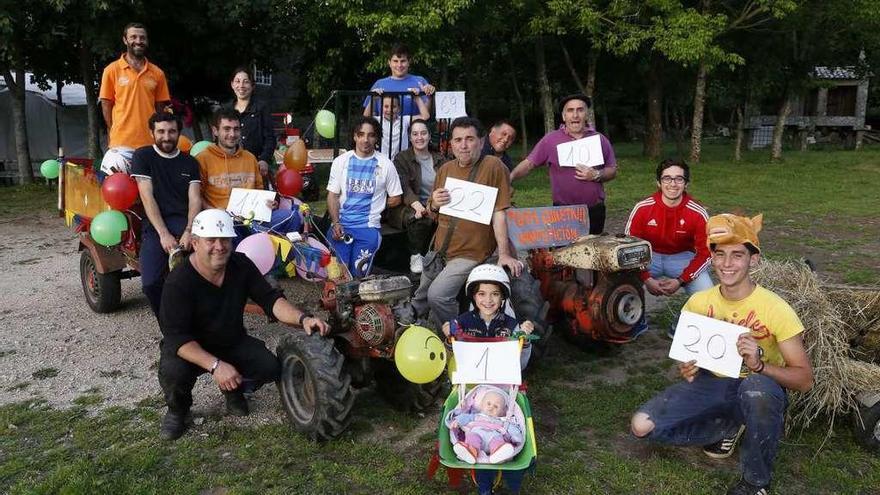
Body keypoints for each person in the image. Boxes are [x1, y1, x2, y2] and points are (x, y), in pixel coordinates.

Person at [630, 213, 813, 495]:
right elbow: (688, 353)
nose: (727, 264)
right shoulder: (698, 301)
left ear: (754, 260)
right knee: (641, 427)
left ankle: (756, 482)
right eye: (720, 255)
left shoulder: (776, 308)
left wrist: (760, 365)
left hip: (759, 386)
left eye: (737, 255)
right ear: (712, 259)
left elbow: (804, 380)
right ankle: (727, 427)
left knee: (756, 390)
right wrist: (686, 366)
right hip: (713, 383)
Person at [157, 209, 329, 440]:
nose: (219, 246)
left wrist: (303, 319)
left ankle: (234, 389)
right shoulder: (178, 282)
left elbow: (271, 300)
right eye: (211, 240)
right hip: (190, 347)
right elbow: (177, 338)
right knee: (173, 372)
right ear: (195, 243)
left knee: (269, 367)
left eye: (225, 239)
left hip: (230, 340)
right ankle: (178, 411)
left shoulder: (241, 265)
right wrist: (217, 366)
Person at [412, 117, 519, 328]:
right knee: (417, 302)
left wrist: (504, 253)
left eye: (470, 139)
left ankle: (459, 336)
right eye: (458, 140)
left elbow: (499, 212)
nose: (463, 145)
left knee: (438, 296)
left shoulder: (493, 166)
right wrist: (434, 204)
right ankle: (410, 336)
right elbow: (432, 213)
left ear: (481, 141)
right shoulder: (445, 169)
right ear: (450, 144)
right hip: (440, 251)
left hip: (470, 253)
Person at [625, 159, 713, 338]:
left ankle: (681, 324)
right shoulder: (643, 208)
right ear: (658, 182)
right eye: (667, 178)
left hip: (681, 257)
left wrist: (681, 280)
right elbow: (629, 248)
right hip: (648, 257)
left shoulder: (697, 211)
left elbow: (706, 253)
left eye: (679, 179)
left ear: (686, 183)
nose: (672, 184)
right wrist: (646, 278)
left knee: (708, 296)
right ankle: (634, 319)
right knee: (620, 278)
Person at [510, 94, 617, 234]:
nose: (575, 115)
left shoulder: (599, 139)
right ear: (563, 116)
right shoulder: (550, 140)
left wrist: (597, 174)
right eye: (570, 110)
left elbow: (612, 170)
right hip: (563, 211)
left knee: (593, 252)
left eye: (580, 110)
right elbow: (529, 164)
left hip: (594, 209)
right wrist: (509, 178)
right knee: (563, 253)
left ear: (587, 114)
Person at [130, 112, 201, 316]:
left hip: (186, 222)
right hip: (155, 225)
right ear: (152, 132)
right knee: (151, 283)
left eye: (171, 131)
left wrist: (190, 230)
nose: (166, 137)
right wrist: (163, 234)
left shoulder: (190, 162)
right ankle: (169, 324)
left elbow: (195, 199)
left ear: (179, 132)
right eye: (161, 131)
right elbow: (147, 197)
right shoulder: (143, 156)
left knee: (206, 272)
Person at [197, 108, 299, 238]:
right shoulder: (203, 159)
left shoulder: (250, 158)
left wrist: (269, 203)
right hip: (223, 221)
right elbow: (197, 196)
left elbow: (259, 191)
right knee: (235, 231)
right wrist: (214, 211)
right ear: (215, 131)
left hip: (254, 219)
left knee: (292, 217)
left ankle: (284, 256)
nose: (232, 134)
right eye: (227, 129)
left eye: (236, 129)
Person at [326, 117, 403, 277]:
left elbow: (396, 198)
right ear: (354, 136)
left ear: (376, 138)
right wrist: (335, 223)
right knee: (338, 276)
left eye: (371, 135)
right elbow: (332, 195)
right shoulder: (341, 161)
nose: (365, 140)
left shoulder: (386, 164)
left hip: (368, 229)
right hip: (341, 226)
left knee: (359, 276)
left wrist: (379, 204)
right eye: (361, 134)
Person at [442, 264, 534, 369]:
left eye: (495, 294)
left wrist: (524, 340)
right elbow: (452, 363)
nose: (488, 300)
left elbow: (520, 366)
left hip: (501, 380)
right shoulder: (460, 323)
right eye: (482, 294)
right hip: (470, 380)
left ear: (502, 297)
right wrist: (449, 339)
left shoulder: (512, 326)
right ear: (474, 296)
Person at [384, 119, 445, 274]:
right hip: (405, 206)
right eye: (415, 134)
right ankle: (416, 256)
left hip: (435, 204)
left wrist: (434, 205)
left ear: (429, 135)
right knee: (420, 218)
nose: (419, 137)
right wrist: (416, 204)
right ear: (410, 138)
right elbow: (402, 185)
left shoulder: (440, 158)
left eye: (423, 133)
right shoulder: (402, 158)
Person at [99, 23, 171, 152]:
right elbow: (106, 105)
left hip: (150, 142)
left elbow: (160, 109)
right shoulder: (111, 70)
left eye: (142, 38)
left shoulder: (158, 73)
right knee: (119, 174)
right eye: (133, 37)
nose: (138, 41)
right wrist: (112, 130)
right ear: (125, 40)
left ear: (147, 41)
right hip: (121, 142)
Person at [225, 67, 275, 183]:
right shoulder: (226, 110)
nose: (241, 86)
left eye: (246, 81)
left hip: (256, 168)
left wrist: (264, 160)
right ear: (232, 84)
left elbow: (270, 138)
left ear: (252, 86)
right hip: (230, 167)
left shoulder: (262, 108)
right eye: (237, 81)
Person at [447, 389, 524, 465]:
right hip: (476, 434)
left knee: (498, 441)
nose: (491, 408)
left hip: (494, 436)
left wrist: (516, 437)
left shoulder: (501, 421)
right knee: (472, 436)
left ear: (502, 412)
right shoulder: (476, 416)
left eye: (496, 406)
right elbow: (464, 417)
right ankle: (471, 451)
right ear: (481, 404)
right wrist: (457, 421)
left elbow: (511, 428)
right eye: (488, 403)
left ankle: (498, 453)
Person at [363, 43, 435, 118]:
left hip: (413, 128)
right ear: (389, 63)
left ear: (409, 62)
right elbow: (368, 116)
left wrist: (429, 94)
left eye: (403, 61)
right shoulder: (379, 84)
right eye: (395, 61)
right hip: (384, 129)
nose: (399, 65)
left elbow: (426, 115)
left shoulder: (420, 81)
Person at [367, 91, 430, 159]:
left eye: (393, 106)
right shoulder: (378, 120)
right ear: (381, 108)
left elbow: (425, 116)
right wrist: (373, 99)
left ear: (399, 109)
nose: (389, 109)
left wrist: (417, 98)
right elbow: (365, 117)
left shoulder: (404, 120)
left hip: (401, 161)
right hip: (383, 160)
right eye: (386, 106)